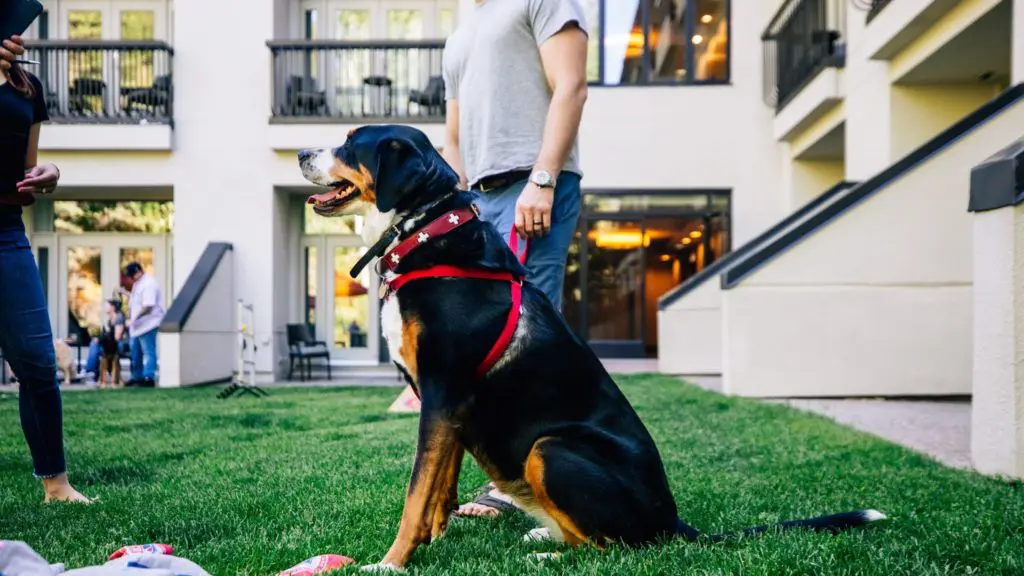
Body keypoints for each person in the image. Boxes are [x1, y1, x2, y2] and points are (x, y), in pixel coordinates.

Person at [441, 0, 589, 517]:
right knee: (484, 341)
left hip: (534, 182)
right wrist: (459, 208)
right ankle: (509, 473)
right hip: (480, 198)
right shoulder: (458, 38)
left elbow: (571, 85)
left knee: (529, 335)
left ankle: (547, 470)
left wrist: (543, 180)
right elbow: (454, 139)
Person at [0, 35, 91, 503]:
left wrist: (49, 171)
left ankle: (56, 485)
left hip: (7, 232)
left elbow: (27, 166)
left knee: (37, 363)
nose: (17, 37)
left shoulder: (26, 88)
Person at [124, 262, 165, 387]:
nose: (131, 279)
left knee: (148, 351)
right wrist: (124, 293)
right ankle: (137, 376)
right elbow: (137, 300)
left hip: (148, 324)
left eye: (132, 275)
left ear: (138, 272)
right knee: (135, 352)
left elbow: (148, 306)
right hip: (137, 325)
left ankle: (149, 377)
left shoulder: (149, 284)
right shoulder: (139, 283)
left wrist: (133, 319)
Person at [97, 299, 127, 388]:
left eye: (106, 305)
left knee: (99, 350)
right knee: (95, 345)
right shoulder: (110, 318)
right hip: (111, 344)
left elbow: (117, 337)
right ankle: (98, 376)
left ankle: (95, 374)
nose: (104, 307)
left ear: (113, 307)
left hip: (120, 344)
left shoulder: (118, 317)